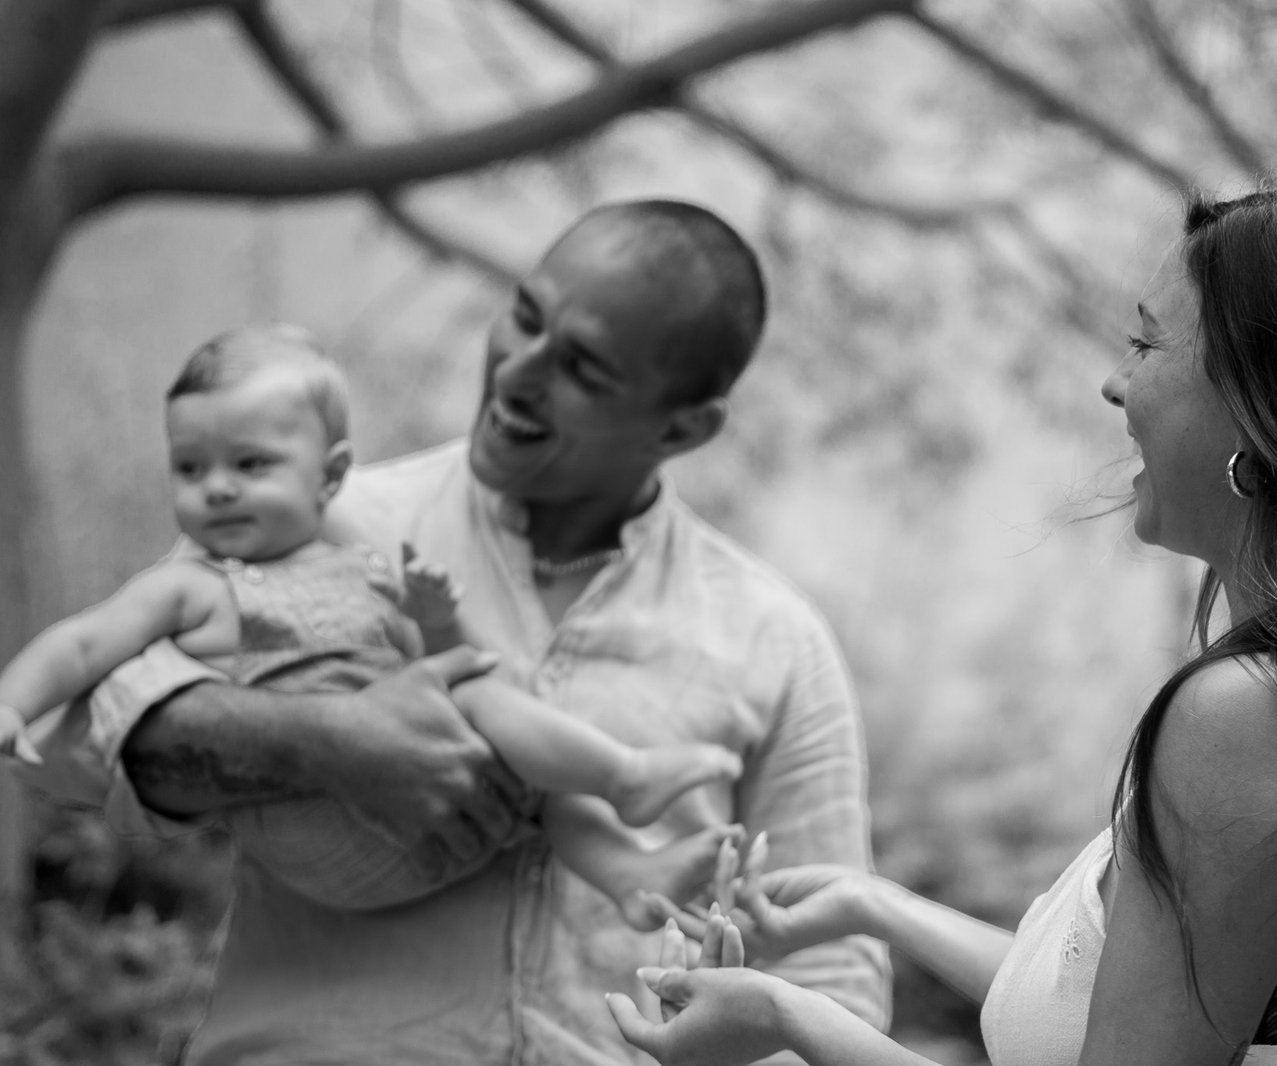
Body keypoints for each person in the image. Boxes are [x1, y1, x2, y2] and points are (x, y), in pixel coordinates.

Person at [605, 181, 1277, 1066]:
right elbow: (1124, 1012)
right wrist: (878, 905)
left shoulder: (1247, 722)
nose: (1113, 383)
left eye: (1146, 342)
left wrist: (787, 1020)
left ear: (1263, 411)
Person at [15, 201, 890, 1064]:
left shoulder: (776, 639)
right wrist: (318, 743)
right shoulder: (311, 526)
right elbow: (66, 749)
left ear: (683, 426)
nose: (516, 371)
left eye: (581, 367)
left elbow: (832, 975)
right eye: (524, 316)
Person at [0, 323, 746, 917]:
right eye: (190, 468)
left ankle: (628, 873)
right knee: (482, 701)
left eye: (250, 465)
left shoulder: (364, 566)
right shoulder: (195, 585)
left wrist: (434, 618)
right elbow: (85, 644)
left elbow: (433, 669)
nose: (217, 490)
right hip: (324, 829)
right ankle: (628, 773)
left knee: (498, 724)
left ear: (329, 475)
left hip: (438, 824)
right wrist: (13, 702)